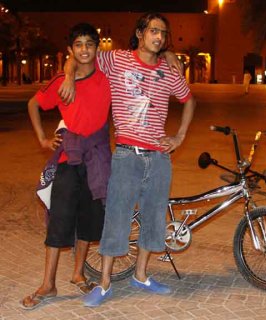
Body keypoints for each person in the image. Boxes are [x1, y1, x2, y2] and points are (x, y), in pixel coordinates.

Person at [62, 12, 196, 307]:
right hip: (126, 155)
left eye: (163, 33)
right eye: (153, 31)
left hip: (159, 158)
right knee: (116, 218)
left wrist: (180, 137)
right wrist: (70, 76)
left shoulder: (169, 70)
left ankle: (142, 275)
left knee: (154, 218)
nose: (159, 37)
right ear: (139, 33)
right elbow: (81, 57)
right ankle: (105, 283)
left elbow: (188, 100)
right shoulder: (116, 60)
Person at [21, 23, 112, 310]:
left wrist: (170, 58)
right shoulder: (61, 80)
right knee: (59, 219)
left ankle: (78, 272)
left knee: (90, 217)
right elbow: (33, 104)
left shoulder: (107, 76)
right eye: (79, 45)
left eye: (89, 44)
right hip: (68, 158)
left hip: (97, 159)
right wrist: (42, 139)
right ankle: (48, 284)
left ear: (97, 48)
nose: (84, 49)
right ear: (70, 50)